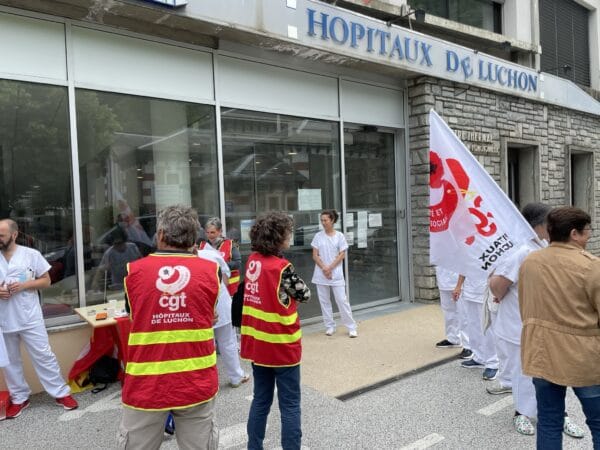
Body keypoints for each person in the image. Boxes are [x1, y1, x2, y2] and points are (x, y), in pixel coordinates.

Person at [118, 205, 220, 450]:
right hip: (196, 379)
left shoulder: (135, 271)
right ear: (193, 238)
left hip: (147, 381)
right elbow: (210, 314)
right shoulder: (210, 271)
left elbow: (133, 315)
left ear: (161, 235)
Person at [489, 203, 585, 438]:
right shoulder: (520, 251)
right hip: (520, 323)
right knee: (525, 372)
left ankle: (558, 415)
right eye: (549, 223)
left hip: (548, 322)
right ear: (539, 225)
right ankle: (521, 413)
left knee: (552, 371)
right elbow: (498, 286)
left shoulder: (544, 246)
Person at [519, 206, 600, 449]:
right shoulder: (591, 266)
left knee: (549, 420)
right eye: (587, 231)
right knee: (597, 421)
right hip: (582, 357)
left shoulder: (531, 262)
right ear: (574, 233)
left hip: (541, 352)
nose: (588, 236)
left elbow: (525, 306)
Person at [240, 212, 311, 450]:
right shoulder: (282, 267)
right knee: (290, 405)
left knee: (261, 400)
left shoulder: (253, 261)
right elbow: (304, 294)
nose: (290, 236)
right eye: (288, 232)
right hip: (282, 345)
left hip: (258, 345)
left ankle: (255, 446)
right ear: (278, 236)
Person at [0, 218, 78, 420]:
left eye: (2, 235)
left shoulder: (30, 255)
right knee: (10, 361)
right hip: (4, 318)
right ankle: (19, 398)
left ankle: (61, 393)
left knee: (43, 355)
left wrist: (24, 286)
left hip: (29, 315)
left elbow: (47, 280)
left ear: (14, 235)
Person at [197, 241, 249, 388]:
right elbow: (225, 277)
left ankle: (207, 381)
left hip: (200, 307)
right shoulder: (212, 254)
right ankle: (236, 376)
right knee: (228, 342)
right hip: (220, 303)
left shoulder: (180, 261)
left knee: (205, 345)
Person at [311, 209, 357, 338]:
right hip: (321, 274)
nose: (323, 222)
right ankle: (330, 326)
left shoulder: (340, 236)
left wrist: (329, 268)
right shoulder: (318, 236)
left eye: (325, 220)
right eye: (322, 220)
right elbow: (315, 255)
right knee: (324, 301)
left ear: (332, 220)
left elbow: (342, 255)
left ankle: (351, 327)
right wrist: (324, 269)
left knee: (342, 300)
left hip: (335, 274)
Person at [455, 274, 499, 381]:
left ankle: (493, 363)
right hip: (470, 290)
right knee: (473, 325)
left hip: (486, 290)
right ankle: (479, 357)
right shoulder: (468, 255)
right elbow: (464, 266)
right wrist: (458, 286)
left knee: (488, 328)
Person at [434, 266, 471, 359]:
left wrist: (459, 285)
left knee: (464, 314)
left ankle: (469, 346)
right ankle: (453, 339)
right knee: (448, 311)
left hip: (458, 281)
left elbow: (465, 261)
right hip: (443, 280)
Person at [92, 227, 142, 292]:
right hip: (118, 287)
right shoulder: (109, 253)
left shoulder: (133, 248)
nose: (119, 246)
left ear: (125, 241)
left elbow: (142, 263)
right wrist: (95, 285)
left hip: (135, 283)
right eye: (116, 244)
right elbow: (100, 271)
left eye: (120, 243)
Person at [201, 217, 242, 297]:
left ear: (220, 231)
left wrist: (221, 265)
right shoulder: (202, 246)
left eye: (213, 232)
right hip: (209, 289)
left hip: (229, 289)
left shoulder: (230, 244)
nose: (209, 235)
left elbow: (237, 263)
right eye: (207, 232)